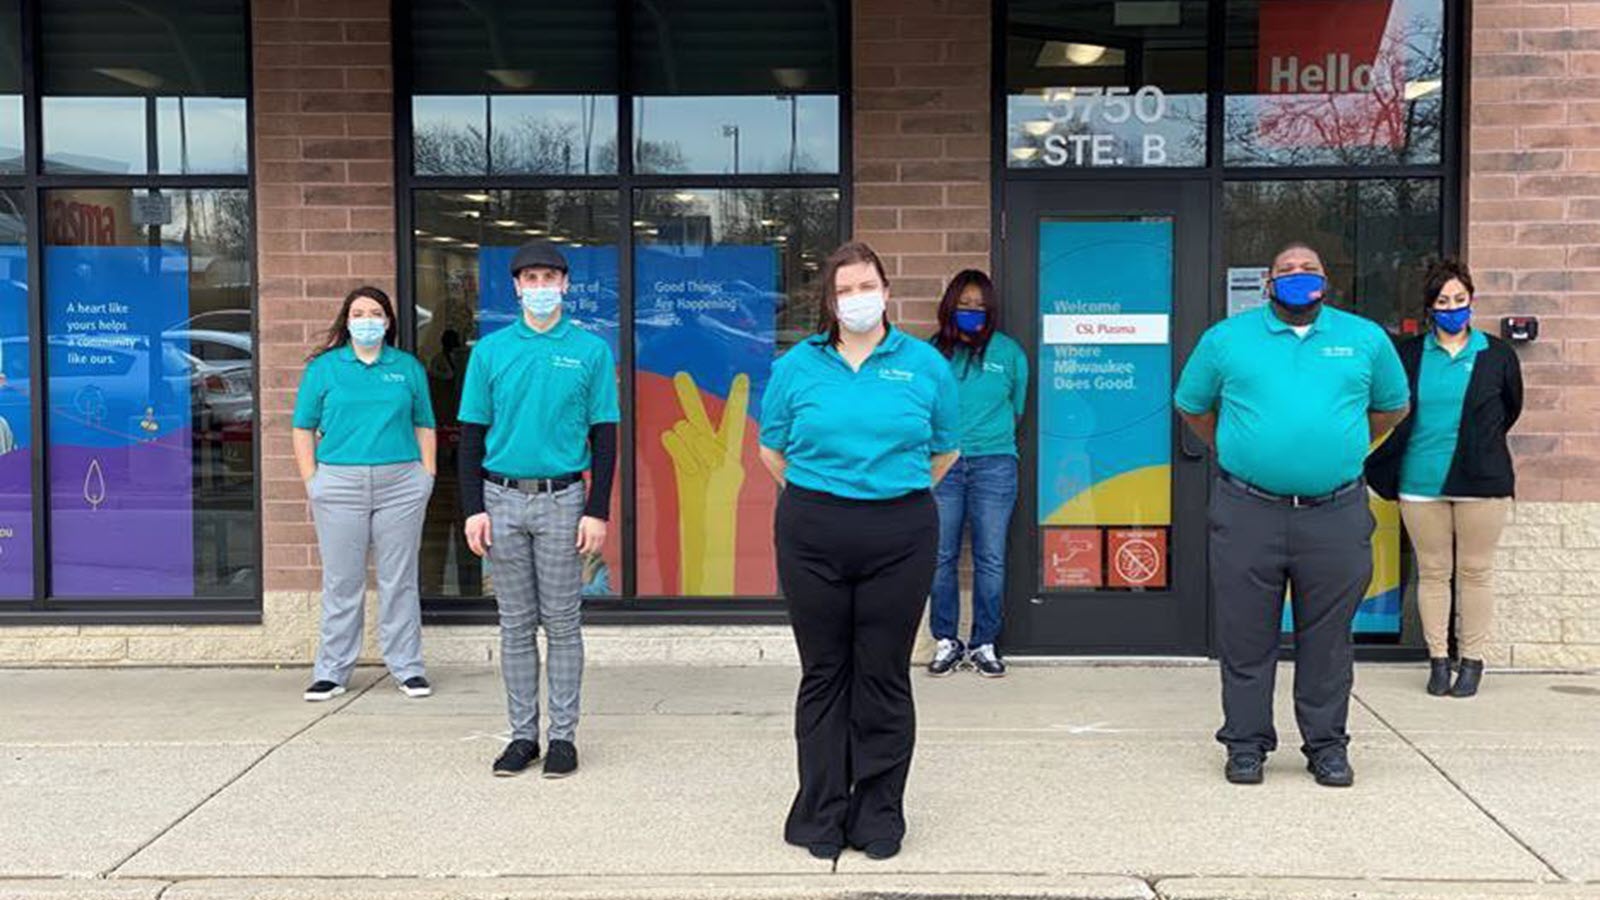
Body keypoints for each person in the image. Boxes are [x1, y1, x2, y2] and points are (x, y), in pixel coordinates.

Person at [1174, 242, 1409, 788]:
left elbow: (1392, 407)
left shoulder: (1365, 339)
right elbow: (1193, 407)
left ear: (1327, 282)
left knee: (1328, 640)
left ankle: (1327, 746)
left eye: (1310, 270)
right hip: (1247, 509)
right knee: (1244, 636)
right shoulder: (1226, 340)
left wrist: (1342, 449)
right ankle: (1246, 744)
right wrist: (1240, 450)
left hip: (1335, 513)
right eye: (1287, 271)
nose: (1299, 277)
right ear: (1268, 283)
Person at [759, 241, 961, 862]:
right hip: (812, 531)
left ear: (886, 291)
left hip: (899, 535)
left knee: (882, 674)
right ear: (828, 301)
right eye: (843, 290)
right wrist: (828, 499)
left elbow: (945, 449)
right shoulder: (798, 365)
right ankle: (820, 811)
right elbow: (773, 448)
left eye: (865, 286)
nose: (856, 299)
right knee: (824, 673)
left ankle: (878, 813)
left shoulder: (924, 364)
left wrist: (886, 496)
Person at [458, 240, 619, 779]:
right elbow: (472, 436)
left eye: (550, 277)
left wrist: (597, 510)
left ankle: (564, 737)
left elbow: (604, 435)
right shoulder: (491, 352)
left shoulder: (591, 350)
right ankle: (523, 735)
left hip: (563, 499)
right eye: (531, 278)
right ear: (517, 287)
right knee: (515, 625)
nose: (541, 287)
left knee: (564, 623)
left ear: (566, 285)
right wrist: (471, 508)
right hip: (501, 498)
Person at [1365, 259, 1522, 698]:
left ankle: (1471, 661)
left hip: (1482, 481)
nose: (1453, 308)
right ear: (1430, 307)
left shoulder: (1498, 355)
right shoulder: (1410, 354)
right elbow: (1391, 406)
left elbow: (1509, 409)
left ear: (1471, 300)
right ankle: (1438, 659)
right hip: (1420, 481)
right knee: (1433, 573)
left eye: (1460, 300)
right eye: (1443, 301)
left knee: (1474, 572)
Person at [292, 286, 437, 702]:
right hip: (338, 483)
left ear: (388, 321)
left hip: (401, 483)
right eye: (358, 313)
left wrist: (426, 475)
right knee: (342, 580)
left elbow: (424, 423)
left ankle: (408, 668)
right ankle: (332, 671)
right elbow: (303, 427)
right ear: (346, 320)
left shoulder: (407, 368)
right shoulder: (324, 368)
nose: (367, 320)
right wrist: (312, 480)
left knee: (399, 580)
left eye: (375, 313)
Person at [926, 269, 1027, 677]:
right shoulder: (930, 354)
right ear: (951, 306)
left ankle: (985, 642)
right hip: (943, 465)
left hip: (995, 464)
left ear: (990, 310)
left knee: (990, 559)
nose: (971, 311)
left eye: (979, 306)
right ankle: (946, 640)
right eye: (964, 304)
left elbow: (1017, 410)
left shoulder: (1009, 354)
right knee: (939, 557)